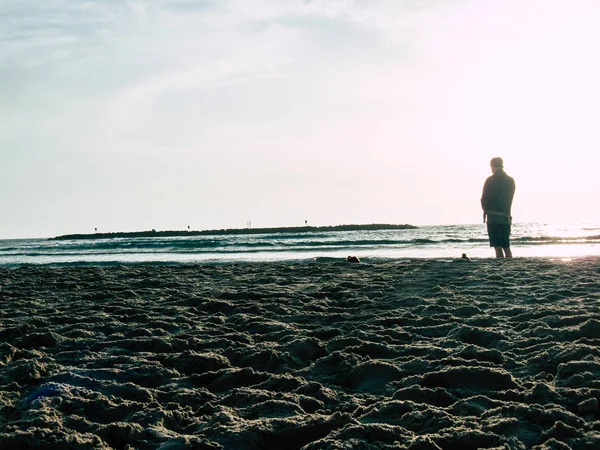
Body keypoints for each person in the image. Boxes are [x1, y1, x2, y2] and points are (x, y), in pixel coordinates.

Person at [481, 157, 515, 258]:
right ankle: (509, 265)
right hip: (506, 215)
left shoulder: (490, 180)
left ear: (493, 166)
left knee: (497, 246)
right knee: (506, 246)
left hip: (493, 216)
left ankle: (500, 265)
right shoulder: (510, 180)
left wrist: (485, 209)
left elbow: (484, 198)